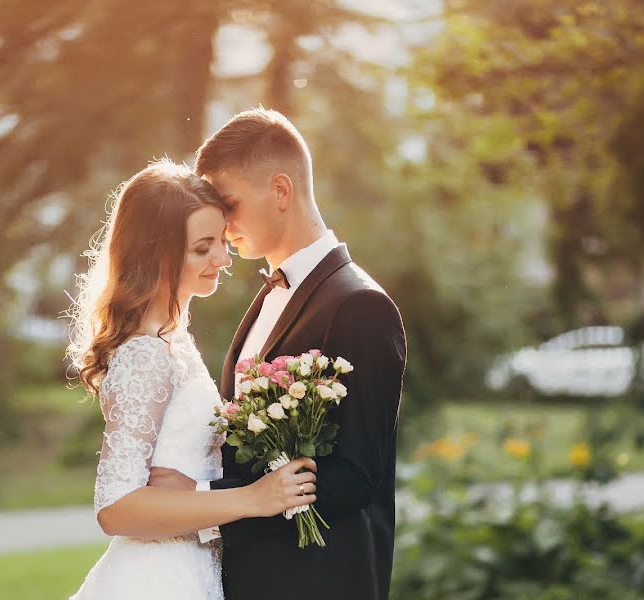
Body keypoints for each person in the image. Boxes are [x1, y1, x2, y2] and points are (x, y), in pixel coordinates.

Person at [148, 109, 408, 600]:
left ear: (281, 191)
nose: (222, 226)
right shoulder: (268, 296)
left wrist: (204, 503)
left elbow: (353, 478)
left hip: (318, 582)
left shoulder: (360, 306)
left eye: (229, 205)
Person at [67, 159, 317, 600]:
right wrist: (250, 499)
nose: (223, 257)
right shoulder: (146, 354)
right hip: (157, 579)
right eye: (203, 248)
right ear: (156, 253)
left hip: (193, 567)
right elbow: (116, 507)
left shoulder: (174, 340)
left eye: (221, 240)